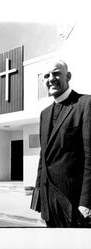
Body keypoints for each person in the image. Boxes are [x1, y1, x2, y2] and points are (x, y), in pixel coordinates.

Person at [31, 59, 91, 227]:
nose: (51, 78)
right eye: (46, 76)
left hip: (74, 202)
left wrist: (87, 201)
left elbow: (90, 157)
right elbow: (44, 158)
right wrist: (38, 196)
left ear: (68, 76)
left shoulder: (85, 104)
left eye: (56, 73)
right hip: (49, 201)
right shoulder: (44, 114)